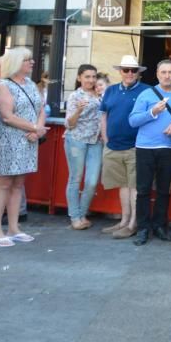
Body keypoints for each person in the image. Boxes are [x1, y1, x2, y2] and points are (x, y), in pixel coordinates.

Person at [0, 48, 45, 247]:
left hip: (28, 140)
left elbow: (41, 108)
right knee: (3, 184)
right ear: (15, 63)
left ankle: (13, 228)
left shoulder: (30, 84)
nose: (32, 62)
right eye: (27, 60)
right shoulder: (3, 85)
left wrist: (36, 130)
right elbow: (7, 116)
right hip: (7, 140)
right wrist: (35, 128)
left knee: (18, 184)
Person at [128, 60, 171, 246]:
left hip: (169, 148)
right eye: (163, 72)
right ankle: (143, 228)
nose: (167, 76)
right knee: (143, 190)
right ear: (157, 74)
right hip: (145, 147)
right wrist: (152, 112)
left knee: (164, 190)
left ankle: (160, 226)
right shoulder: (146, 94)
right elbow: (132, 121)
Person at [98, 56, 150, 239]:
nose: (129, 73)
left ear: (138, 73)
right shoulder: (110, 90)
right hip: (113, 146)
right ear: (119, 71)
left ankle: (132, 224)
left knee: (135, 187)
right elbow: (103, 115)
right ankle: (123, 221)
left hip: (136, 147)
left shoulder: (146, 91)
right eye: (126, 70)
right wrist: (105, 139)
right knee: (122, 186)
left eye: (133, 70)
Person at [64, 64, 103, 230]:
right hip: (76, 140)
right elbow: (69, 124)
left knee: (92, 181)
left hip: (96, 141)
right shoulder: (75, 96)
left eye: (94, 77)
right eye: (87, 76)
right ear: (79, 77)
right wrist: (79, 111)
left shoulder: (101, 94)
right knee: (75, 178)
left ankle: (82, 214)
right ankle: (75, 217)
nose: (91, 80)